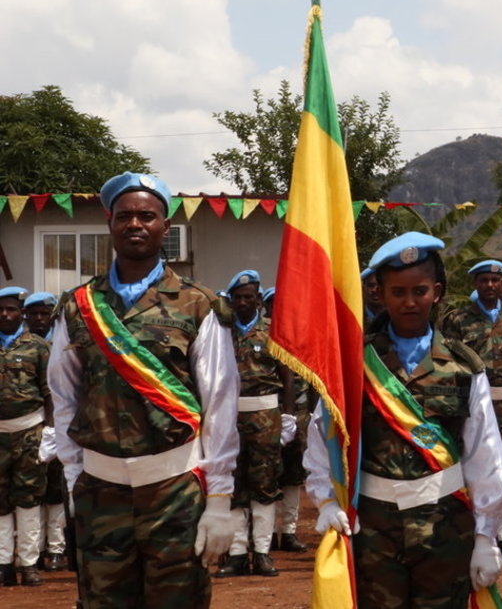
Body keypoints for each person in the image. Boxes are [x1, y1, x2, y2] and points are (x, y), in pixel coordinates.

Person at [47, 172, 238, 608]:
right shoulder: (77, 306)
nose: (135, 224)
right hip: (99, 492)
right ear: (110, 223)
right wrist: (75, 478)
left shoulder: (199, 303)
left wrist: (220, 497)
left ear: (165, 227)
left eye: (147, 216)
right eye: (125, 216)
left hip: (174, 491)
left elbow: (220, 403)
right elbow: (64, 397)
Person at [304, 232, 502, 606]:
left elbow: (485, 453)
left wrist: (486, 536)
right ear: (380, 294)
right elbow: (323, 432)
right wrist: (326, 501)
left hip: (446, 525)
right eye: (398, 292)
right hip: (373, 527)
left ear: (437, 292)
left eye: (420, 291)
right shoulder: (355, 362)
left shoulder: (464, 366)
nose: (410, 302)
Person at [442, 260, 502, 562]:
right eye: (484, 280)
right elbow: (448, 363)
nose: (490, 286)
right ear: (476, 284)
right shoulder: (458, 319)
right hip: (473, 403)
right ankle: (484, 532)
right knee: (478, 464)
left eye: (494, 280)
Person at [214, 270, 297, 578]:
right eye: (237, 298)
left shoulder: (274, 332)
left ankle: (262, 552)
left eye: (248, 297)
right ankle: (237, 553)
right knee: (234, 483)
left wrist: (288, 417)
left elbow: (288, 378)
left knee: (265, 484)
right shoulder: (221, 333)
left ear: (259, 300)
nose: (242, 303)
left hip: (266, 415)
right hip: (230, 416)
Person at [0, 287, 51, 587]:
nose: (5, 314)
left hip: (30, 430)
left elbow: (51, 391)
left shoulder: (38, 347)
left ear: (21, 313)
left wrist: (52, 432)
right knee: (0, 500)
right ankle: (4, 562)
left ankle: (29, 563)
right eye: (0, 310)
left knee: (29, 498)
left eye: (10, 309)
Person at [23, 291, 68, 572]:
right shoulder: (23, 345)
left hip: (60, 425)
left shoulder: (62, 342)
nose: (39, 319)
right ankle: (36, 549)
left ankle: (56, 548)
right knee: (32, 490)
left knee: (56, 489)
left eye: (44, 314)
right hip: (28, 427)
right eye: (34, 314)